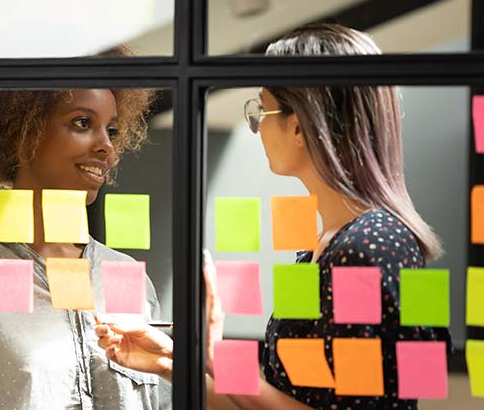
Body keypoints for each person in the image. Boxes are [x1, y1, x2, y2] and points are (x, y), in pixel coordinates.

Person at [95, 23, 451, 410]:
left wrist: (206, 356)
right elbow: (287, 402)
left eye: (262, 109)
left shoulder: (366, 248)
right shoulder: (328, 248)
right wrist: (172, 362)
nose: (257, 126)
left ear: (297, 126)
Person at [0, 72, 173, 408]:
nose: (108, 147)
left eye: (112, 130)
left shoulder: (125, 274)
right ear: (22, 131)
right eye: (82, 122)